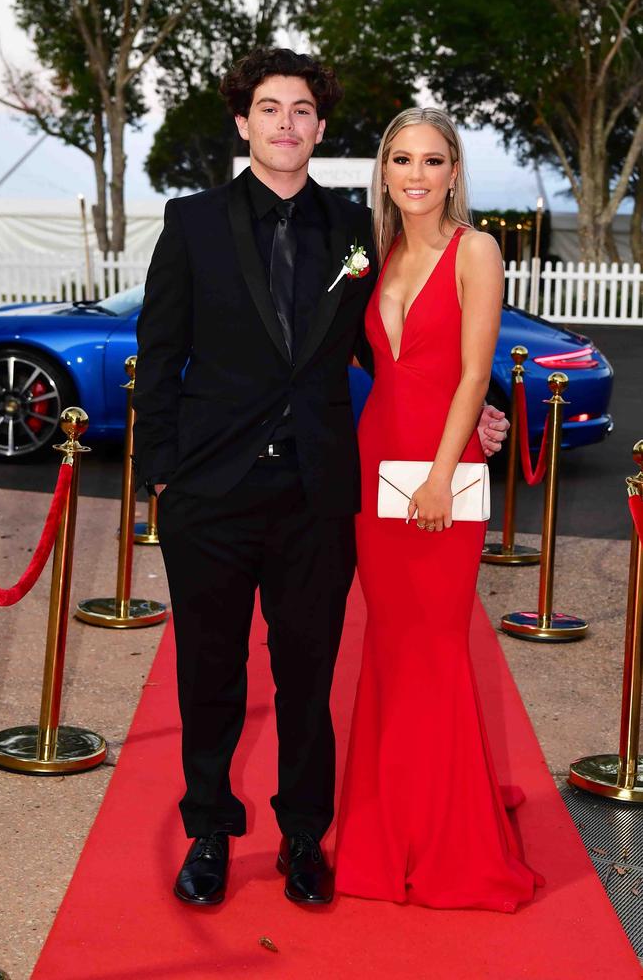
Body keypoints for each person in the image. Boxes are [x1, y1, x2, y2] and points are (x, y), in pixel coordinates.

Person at [133, 49, 508, 908]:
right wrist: (161, 477)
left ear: (322, 128)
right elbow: (158, 357)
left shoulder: (355, 233)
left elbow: (410, 347)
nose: (286, 125)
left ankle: (305, 835)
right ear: (244, 122)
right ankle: (210, 833)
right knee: (211, 673)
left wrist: (487, 418)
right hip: (211, 494)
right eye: (270, 109)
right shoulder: (190, 222)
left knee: (308, 674)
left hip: (319, 496)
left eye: (302, 111)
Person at [334, 108, 543, 912]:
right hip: (374, 458)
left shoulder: (476, 251)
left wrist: (441, 471)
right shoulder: (372, 255)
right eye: (400, 160)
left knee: (435, 647)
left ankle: (449, 838)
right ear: (383, 171)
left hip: (438, 472)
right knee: (388, 649)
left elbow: (471, 373)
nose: (415, 175)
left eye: (431, 160)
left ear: (454, 171)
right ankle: (386, 828)